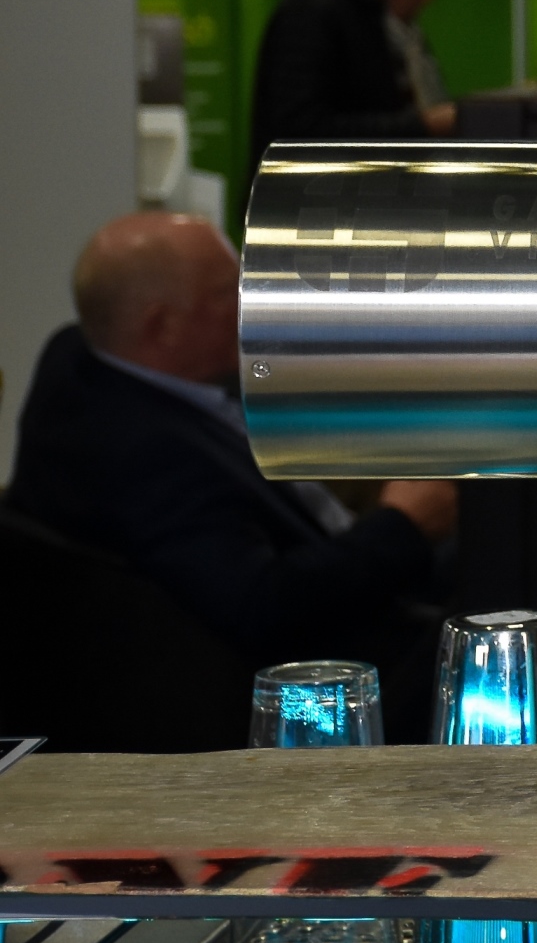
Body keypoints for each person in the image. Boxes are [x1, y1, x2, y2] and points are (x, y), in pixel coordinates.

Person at [5, 213, 457, 726]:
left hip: (333, 569)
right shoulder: (141, 458)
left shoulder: (83, 354)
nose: (253, 305)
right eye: (229, 292)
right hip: (323, 687)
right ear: (162, 326)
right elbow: (266, 608)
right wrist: (405, 525)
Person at [250, 0, 457, 163]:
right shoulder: (313, 12)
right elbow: (299, 130)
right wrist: (421, 126)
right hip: (318, 187)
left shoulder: (372, 9)